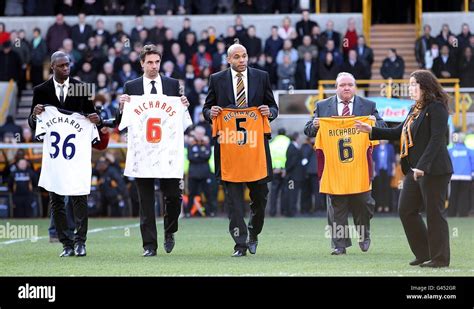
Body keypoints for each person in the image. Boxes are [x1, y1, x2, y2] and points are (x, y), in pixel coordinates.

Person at [355, 69, 453, 268]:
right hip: (414, 170)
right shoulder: (414, 109)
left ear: (425, 86)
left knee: (435, 214)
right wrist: (371, 131)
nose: (410, 88)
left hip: (434, 169)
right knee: (406, 210)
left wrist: (423, 166)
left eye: (413, 85)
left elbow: (437, 140)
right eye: (409, 85)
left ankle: (440, 258)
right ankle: (425, 253)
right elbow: (398, 132)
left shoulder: (437, 108)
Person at [202, 43, 278, 257]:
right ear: (229, 59)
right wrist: (211, 112)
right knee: (234, 202)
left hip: (256, 149)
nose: (242, 60)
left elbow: (273, 107)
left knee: (260, 197)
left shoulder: (261, 76)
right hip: (229, 150)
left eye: (244, 55)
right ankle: (240, 244)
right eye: (237, 57)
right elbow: (206, 109)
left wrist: (269, 111)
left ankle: (254, 232)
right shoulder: (216, 79)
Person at [117, 44, 190, 257]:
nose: (154, 66)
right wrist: (121, 107)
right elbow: (121, 122)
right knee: (146, 202)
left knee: (174, 197)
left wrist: (184, 104)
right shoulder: (131, 86)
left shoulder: (173, 84)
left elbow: (183, 120)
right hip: (143, 153)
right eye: (149, 62)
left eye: (157, 62)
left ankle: (170, 230)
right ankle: (149, 245)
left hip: (168, 153)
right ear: (141, 64)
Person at [303, 72, 386, 255]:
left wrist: (374, 123)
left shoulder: (368, 106)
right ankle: (339, 245)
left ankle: (363, 233)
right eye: (342, 85)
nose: (346, 88)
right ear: (336, 87)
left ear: (355, 87)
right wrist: (315, 125)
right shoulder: (322, 106)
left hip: (360, 168)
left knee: (364, 203)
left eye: (350, 84)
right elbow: (307, 130)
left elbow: (383, 129)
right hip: (334, 168)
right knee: (336, 207)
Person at [28, 51, 101, 257]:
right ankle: (66, 244)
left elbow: (92, 116)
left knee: (79, 197)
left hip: (77, 155)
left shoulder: (82, 87)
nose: (66, 69)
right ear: (52, 67)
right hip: (54, 156)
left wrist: (97, 119)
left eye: (68, 65)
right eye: (61, 66)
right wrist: (35, 115)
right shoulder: (41, 90)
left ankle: (80, 242)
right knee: (57, 200)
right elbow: (33, 124)